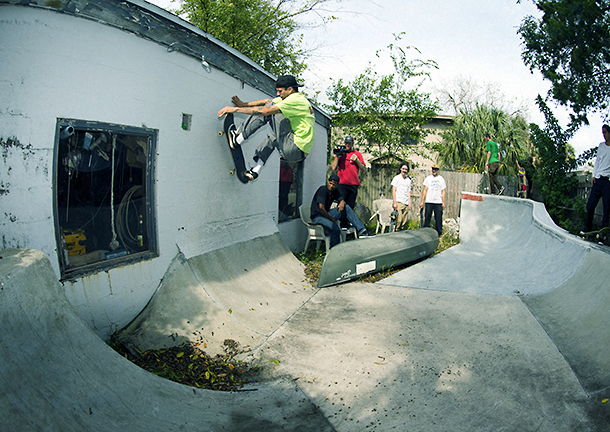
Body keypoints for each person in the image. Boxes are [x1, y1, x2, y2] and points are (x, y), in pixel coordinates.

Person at [217, 75, 315, 181]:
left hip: (294, 146)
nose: (278, 94)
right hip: (298, 154)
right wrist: (244, 104)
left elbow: (265, 111)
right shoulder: (296, 99)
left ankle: (238, 139)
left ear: (290, 89)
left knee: (269, 111)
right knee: (272, 137)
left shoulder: (295, 100)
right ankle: (255, 171)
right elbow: (267, 101)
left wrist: (235, 109)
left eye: (280, 91)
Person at [310, 174, 372, 248]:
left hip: (326, 214)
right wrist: (332, 219)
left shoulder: (334, 191)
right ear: (328, 181)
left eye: (334, 185)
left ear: (337, 185)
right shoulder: (323, 190)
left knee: (346, 208)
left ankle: (362, 231)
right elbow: (321, 209)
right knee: (335, 228)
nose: (331, 186)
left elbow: (340, 199)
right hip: (318, 217)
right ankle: (333, 249)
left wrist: (342, 202)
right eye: (330, 183)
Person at [583, 124, 610, 233]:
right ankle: (588, 228)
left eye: (605, 132)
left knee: (607, 207)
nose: (604, 135)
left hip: (607, 181)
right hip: (598, 179)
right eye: (602, 133)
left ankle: (603, 231)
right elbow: (597, 161)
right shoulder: (601, 146)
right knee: (590, 205)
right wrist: (594, 175)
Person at [331, 135, 366, 210]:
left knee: (350, 206)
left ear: (352, 144)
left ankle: (347, 221)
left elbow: (363, 168)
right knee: (341, 205)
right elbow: (334, 167)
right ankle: (340, 220)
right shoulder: (341, 153)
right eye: (346, 143)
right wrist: (337, 155)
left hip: (353, 184)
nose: (347, 145)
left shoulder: (357, 154)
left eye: (349, 143)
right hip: (342, 184)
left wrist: (357, 160)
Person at [420, 164, 446, 236]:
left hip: (438, 201)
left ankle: (439, 234)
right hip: (429, 201)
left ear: (438, 170)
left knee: (438, 218)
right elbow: (425, 190)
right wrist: (422, 201)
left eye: (435, 169)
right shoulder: (428, 178)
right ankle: (425, 233)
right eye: (433, 169)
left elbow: (443, 191)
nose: (434, 170)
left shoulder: (441, 179)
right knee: (427, 217)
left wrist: (443, 202)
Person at [391, 162, 412, 231]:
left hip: (405, 202)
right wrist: (394, 203)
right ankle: (396, 232)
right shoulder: (396, 178)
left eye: (406, 169)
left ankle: (401, 232)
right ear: (400, 169)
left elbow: (409, 192)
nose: (404, 170)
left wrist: (409, 203)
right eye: (403, 169)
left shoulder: (408, 180)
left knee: (404, 221)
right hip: (398, 202)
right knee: (398, 220)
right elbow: (393, 190)